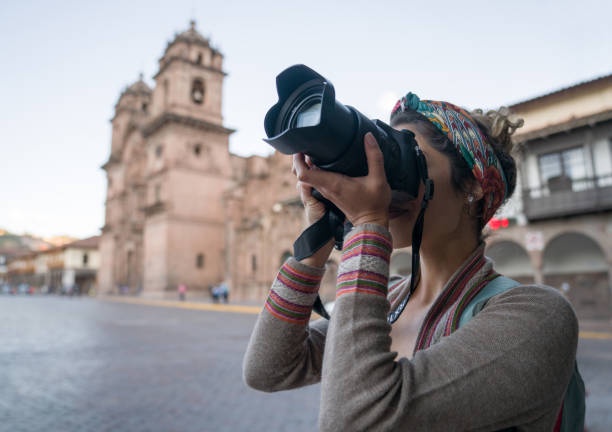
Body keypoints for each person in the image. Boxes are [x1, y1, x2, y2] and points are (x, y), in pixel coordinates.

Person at [243, 92, 582, 431]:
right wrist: (319, 231)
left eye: (409, 159)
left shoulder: (537, 314)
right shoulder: (391, 301)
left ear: (474, 185)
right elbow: (269, 368)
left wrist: (367, 222)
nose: (384, 183)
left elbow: (355, 419)